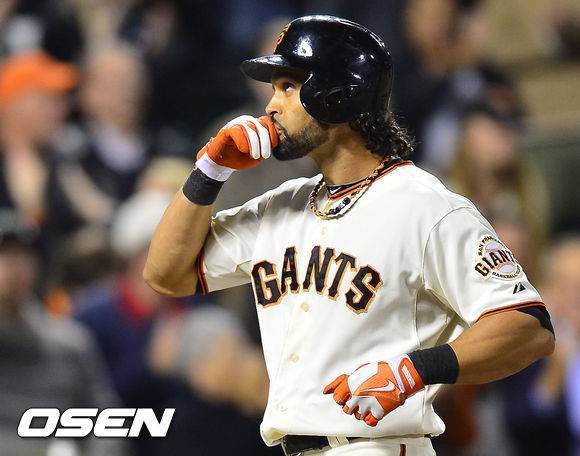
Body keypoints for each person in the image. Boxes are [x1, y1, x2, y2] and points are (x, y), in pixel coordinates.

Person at [144, 16, 555, 456]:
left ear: (337, 95)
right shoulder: (280, 206)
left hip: (380, 445)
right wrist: (210, 170)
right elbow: (167, 274)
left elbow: (528, 326)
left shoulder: (425, 205)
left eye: (288, 87)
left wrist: (414, 370)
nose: (271, 106)